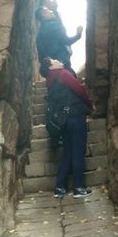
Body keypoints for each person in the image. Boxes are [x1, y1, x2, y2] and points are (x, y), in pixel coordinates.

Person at [42, 57, 93, 198]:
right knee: (78, 151)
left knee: (67, 152)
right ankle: (79, 187)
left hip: (63, 120)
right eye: (54, 60)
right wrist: (89, 104)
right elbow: (79, 89)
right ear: (51, 67)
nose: (58, 60)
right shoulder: (63, 74)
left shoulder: (50, 80)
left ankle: (60, 187)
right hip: (75, 116)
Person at [35, 0, 82, 72]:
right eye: (48, 10)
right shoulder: (54, 25)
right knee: (71, 78)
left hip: (52, 66)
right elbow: (66, 41)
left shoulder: (41, 31)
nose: (51, 12)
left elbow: (41, 51)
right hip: (61, 62)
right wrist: (78, 35)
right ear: (44, 14)